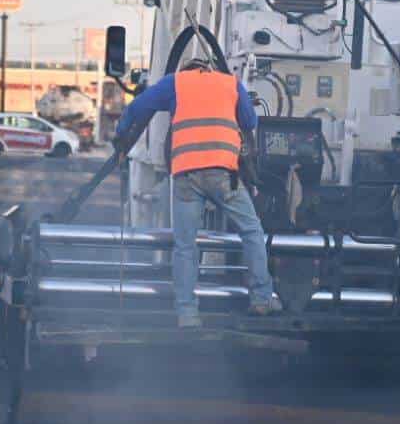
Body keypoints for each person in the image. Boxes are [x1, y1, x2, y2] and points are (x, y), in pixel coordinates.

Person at [114, 59, 280, 328]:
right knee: (251, 231)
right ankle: (261, 298)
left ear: (187, 70)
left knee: (186, 245)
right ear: (208, 68)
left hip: (187, 175)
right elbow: (250, 121)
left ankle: (187, 313)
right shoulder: (230, 83)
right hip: (223, 174)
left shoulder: (174, 83)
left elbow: (137, 108)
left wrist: (121, 138)